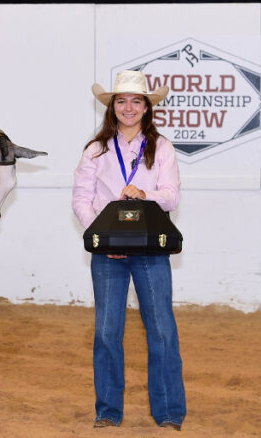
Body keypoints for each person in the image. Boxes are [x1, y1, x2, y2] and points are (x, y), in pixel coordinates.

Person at [72, 70, 186, 430]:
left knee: (162, 329)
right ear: (112, 107)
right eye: (121, 101)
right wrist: (104, 236)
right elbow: (81, 199)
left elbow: (171, 197)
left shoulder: (161, 147)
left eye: (136, 101)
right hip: (108, 255)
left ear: (147, 107)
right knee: (107, 331)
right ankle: (107, 409)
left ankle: (168, 411)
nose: (129, 107)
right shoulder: (95, 149)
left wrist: (143, 193)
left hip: (151, 249)